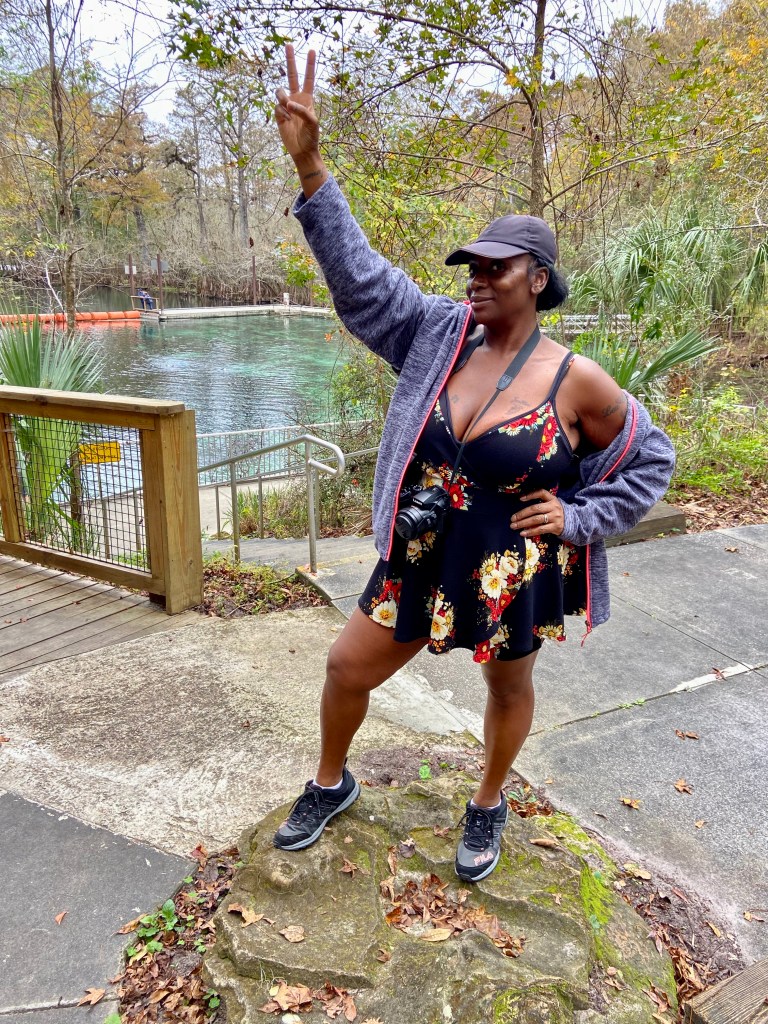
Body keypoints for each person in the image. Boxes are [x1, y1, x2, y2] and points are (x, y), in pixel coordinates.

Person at [271, 46, 675, 882]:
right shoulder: (437, 334)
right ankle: (331, 782)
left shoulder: (577, 379)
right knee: (347, 665)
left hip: (507, 565)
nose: (478, 278)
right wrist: (311, 169)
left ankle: (488, 801)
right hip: (421, 550)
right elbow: (361, 282)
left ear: (539, 278)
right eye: (473, 267)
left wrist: (579, 517)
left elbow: (651, 458)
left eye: (496, 267)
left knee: (507, 689)